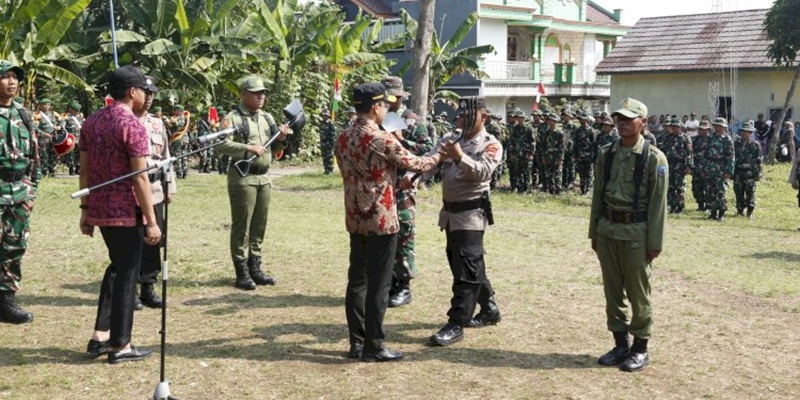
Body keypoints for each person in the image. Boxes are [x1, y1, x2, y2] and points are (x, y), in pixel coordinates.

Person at [334, 83, 441, 362]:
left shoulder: (343, 137)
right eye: (383, 105)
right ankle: (375, 345)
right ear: (375, 107)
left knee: (357, 281)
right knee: (379, 286)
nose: (384, 110)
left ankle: (356, 343)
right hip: (381, 218)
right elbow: (419, 164)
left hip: (355, 216)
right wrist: (441, 154)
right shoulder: (381, 138)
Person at [80, 65, 161, 363]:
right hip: (126, 211)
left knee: (117, 267)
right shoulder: (132, 124)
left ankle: (100, 335)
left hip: (100, 209)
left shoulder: (92, 121)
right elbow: (140, 177)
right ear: (132, 92)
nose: (146, 94)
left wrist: (85, 209)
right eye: (143, 89)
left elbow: (85, 169)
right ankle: (120, 345)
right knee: (127, 274)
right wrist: (152, 221)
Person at [588, 97, 667, 372]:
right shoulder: (606, 154)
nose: (621, 123)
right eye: (618, 118)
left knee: (638, 293)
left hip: (636, 233)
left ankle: (640, 348)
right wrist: (594, 233)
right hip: (608, 230)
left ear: (642, 123)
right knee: (612, 292)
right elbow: (598, 195)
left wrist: (654, 243)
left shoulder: (654, 158)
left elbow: (658, 205)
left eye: (628, 118)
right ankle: (620, 344)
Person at [427, 95, 503, 345]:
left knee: (466, 270)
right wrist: (411, 176)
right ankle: (489, 309)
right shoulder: (451, 139)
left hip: (471, 215)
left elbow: (482, 172)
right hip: (450, 215)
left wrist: (460, 157)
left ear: (484, 117)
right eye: (459, 115)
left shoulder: (491, 144)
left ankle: (456, 322)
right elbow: (431, 161)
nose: (459, 118)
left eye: (466, 114)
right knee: (465, 264)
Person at [216, 75, 289, 290]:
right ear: (243, 95)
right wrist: (247, 148)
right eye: (256, 93)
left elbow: (275, 149)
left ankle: (255, 267)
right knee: (242, 224)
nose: (261, 97)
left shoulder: (267, 118)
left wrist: (282, 139)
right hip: (243, 176)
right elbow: (220, 146)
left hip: (264, 176)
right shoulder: (233, 118)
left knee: (259, 223)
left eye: (263, 93)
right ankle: (241, 271)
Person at [0, 60, 40, 325]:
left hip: (18, 193)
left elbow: (34, 158)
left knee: (14, 247)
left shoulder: (24, 115)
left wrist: (31, 192)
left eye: (15, 77)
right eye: (5, 76)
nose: (12, 82)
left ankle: (6, 301)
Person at [133, 76, 176, 309]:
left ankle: (148, 286)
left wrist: (170, 185)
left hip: (156, 189)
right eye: (145, 92)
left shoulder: (157, 124)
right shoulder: (125, 121)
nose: (148, 98)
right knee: (132, 240)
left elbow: (167, 157)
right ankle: (130, 289)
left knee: (154, 239)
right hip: (132, 190)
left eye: (152, 94)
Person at [660, 117, 693, 214]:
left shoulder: (685, 138)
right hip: (669, 165)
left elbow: (690, 153)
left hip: (680, 165)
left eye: (676, 127)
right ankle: (672, 206)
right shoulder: (667, 138)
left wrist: (688, 166)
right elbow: (663, 151)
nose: (674, 128)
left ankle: (680, 207)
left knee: (680, 187)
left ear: (680, 127)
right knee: (670, 187)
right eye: (673, 127)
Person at [707, 118, 735, 221]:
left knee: (721, 192)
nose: (717, 128)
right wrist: (705, 168)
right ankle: (713, 213)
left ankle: (721, 214)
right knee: (711, 191)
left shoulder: (727, 139)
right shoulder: (710, 138)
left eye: (720, 126)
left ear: (724, 127)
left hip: (722, 169)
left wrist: (729, 171)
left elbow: (731, 156)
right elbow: (706, 155)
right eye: (716, 126)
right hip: (710, 168)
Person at [733, 122, 762, 218]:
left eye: (747, 132)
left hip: (750, 174)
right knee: (738, 193)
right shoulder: (735, 144)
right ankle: (740, 211)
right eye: (743, 131)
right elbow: (731, 159)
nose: (744, 133)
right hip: (738, 173)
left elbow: (759, 161)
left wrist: (758, 173)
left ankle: (750, 212)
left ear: (751, 133)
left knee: (750, 193)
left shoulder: (755, 145)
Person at [539, 112, 565, 195]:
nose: (550, 122)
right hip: (547, 156)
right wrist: (543, 157)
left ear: (556, 122)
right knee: (548, 175)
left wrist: (561, 158)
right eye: (549, 120)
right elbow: (543, 146)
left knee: (557, 174)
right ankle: (550, 191)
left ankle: (557, 191)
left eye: (552, 120)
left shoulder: (559, 133)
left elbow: (562, 147)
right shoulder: (546, 133)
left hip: (556, 157)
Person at [34, 98, 58, 177]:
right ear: (40, 106)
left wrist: (59, 127)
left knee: (53, 154)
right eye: (44, 105)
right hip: (43, 139)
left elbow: (62, 121)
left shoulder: (53, 114)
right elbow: (35, 128)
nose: (46, 106)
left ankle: (52, 171)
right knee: (44, 155)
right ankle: (44, 172)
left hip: (53, 137)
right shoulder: (37, 115)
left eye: (48, 105)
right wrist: (43, 133)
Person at [573, 113, 596, 195]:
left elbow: (594, 145)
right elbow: (575, 144)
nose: (580, 121)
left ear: (586, 120)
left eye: (582, 119)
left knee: (589, 173)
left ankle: (588, 190)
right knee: (582, 174)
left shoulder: (591, 131)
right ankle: (582, 190)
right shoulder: (578, 130)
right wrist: (575, 155)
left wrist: (593, 157)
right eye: (579, 119)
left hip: (589, 156)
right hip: (580, 156)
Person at [691, 120, 712, 211]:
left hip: (708, 168)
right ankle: (700, 205)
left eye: (705, 129)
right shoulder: (695, 140)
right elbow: (691, 154)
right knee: (697, 188)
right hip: (697, 168)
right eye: (701, 129)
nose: (703, 131)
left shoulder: (712, 140)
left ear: (708, 130)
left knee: (708, 187)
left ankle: (708, 205)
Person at [63, 100, 84, 175]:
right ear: (70, 109)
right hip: (70, 138)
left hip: (80, 138)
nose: (77, 112)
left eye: (77, 111)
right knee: (71, 154)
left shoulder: (80, 117)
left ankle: (78, 168)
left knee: (79, 154)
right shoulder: (66, 117)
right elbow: (63, 127)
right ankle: (71, 169)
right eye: (75, 110)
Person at [319, 109, 336, 175]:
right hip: (323, 142)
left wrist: (331, 143)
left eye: (325, 115)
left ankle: (330, 170)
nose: (323, 116)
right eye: (323, 115)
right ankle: (326, 170)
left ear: (327, 116)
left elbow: (333, 134)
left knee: (329, 157)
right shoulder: (322, 123)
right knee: (324, 157)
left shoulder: (331, 123)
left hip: (329, 142)